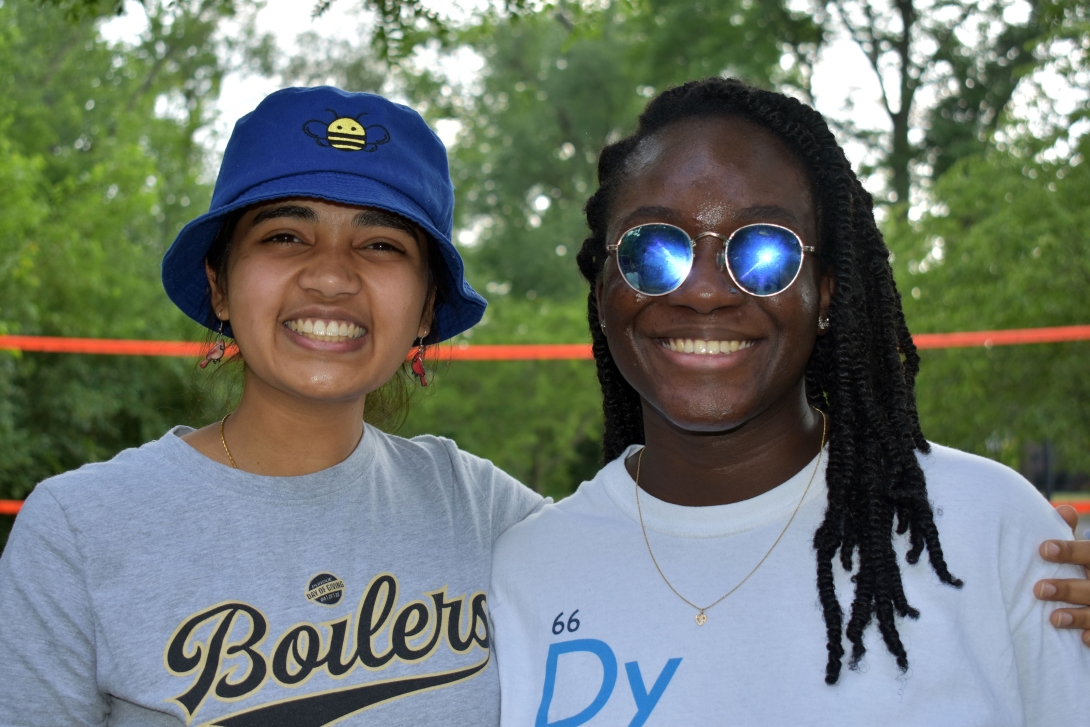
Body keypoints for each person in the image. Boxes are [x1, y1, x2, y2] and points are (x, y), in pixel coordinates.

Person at [489, 77, 1090, 726]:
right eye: (654, 250)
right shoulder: (527, 569)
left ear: (826, 293)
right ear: (604, 289)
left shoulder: (988, 529)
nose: (705, 293)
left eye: (763, 251)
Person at [0, 87, 543, 726]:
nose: (332, 277)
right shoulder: (77, 529)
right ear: (219, 285)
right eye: (286, 235)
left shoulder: (485, 512)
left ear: (426, 308)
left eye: (381, 246)